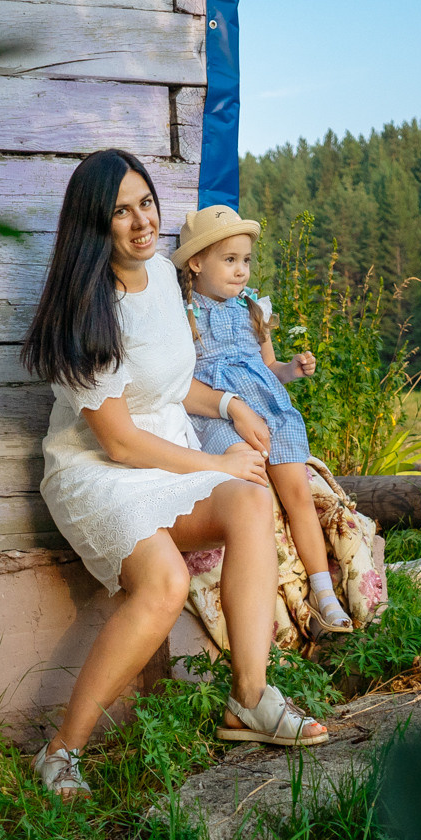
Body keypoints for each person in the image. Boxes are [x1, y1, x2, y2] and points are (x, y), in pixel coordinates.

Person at [21, 150, 329, 799]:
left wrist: (230, 403)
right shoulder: (88, 310)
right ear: (93, 227)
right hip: (97, 469)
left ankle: (249, 697)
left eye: (146, 203)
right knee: (162, 583)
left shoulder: (163, 274)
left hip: (162, 447)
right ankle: (60, 752)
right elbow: (120, 443)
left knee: (250, 501)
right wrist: (215, 460)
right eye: (120, 212)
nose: (140, 221)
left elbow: (173, 384)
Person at [173, 205, 352, 635]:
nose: (241, 271)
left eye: (246, 261)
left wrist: (292, 370)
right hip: (218, 417)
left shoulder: (254, 309)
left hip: (270, 410)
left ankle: (322, 591)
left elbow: (268, 370)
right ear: (196, 263)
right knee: (251, 487)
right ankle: (268, 598)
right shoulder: (184, 314)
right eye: (229, 260)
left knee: (298, 495)